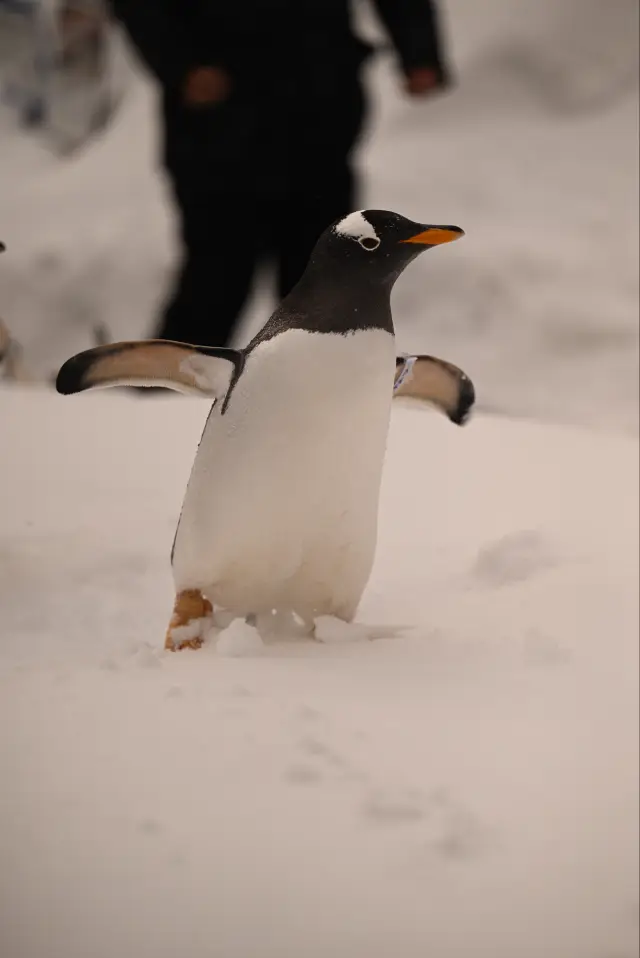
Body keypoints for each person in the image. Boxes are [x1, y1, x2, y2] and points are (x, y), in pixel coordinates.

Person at [109, 0, 452, 349]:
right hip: (217, 122)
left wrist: (419, 51)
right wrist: (180, 64)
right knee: (216, 273)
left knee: (323, 273)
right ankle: (170, 388)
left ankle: (325, 386)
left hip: (317, 108)